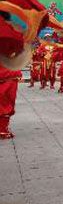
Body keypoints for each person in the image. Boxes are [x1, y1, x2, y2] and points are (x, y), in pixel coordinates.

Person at [0, 11, 23, 139]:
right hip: (8, 72)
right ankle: (2, 129)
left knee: (5, 100)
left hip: (8, 72)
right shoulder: (14, 33)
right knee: (6, 100)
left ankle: (2, 128)